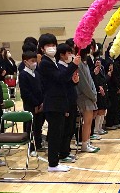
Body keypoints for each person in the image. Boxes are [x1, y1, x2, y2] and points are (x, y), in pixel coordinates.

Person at [38, 33, 80, 172]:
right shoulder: (45, 63)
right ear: (42, 48)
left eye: (53, 45)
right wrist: (73, 65)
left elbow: (61, 80)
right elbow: (60, 78)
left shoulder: (52, 62)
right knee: (55, 135)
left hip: (59, 103)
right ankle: (53, 164)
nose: (52, 48)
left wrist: (72, 80)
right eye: (48, 45)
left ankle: (54, 162)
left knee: (58, 133)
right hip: (53, 103)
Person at [19, 51, 45, 156]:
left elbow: (41, 89)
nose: (34, 63)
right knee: (31, 127)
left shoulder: (36, 73)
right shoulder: (23, 75)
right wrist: (35, 104)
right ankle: (31, 147)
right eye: (32, 61)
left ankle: (38, 144)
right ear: (25, 62)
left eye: (35, 61)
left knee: (38, 126)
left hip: (40, 104)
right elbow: (25, 93)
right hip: (30, 105)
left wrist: (42, 102)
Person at [56, 43, 79, 162]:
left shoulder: (67, 66)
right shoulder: (60, 68)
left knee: (70, 128)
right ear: (61, 55)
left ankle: (67, 150)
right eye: (68, 53)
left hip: (72, 100)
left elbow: (70, 83)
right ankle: (63, 153)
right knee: (65, 128)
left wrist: (75, 81)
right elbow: (63, 81)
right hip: (65, 101)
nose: (70, 55)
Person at [76, 44, 100, 153]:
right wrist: (92, 95)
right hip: (84, 97)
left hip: (90, 96)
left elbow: (90, 81)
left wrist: (94, 94)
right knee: (87, 121)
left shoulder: (84, 64)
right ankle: (84, 144)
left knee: (90, 121)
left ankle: (88, 142)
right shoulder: (79, 64)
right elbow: (84, 84)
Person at [91, 57, 109, 136]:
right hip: (98, 92)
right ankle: (95, 129)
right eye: (96, 61)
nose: (98, 62)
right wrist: (99, 87)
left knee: (103, 110)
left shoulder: (102, 69)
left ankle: (100, 128)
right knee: (99, 111)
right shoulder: (93, 70)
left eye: (99, 61)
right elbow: (94, 81)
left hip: (104, 92)